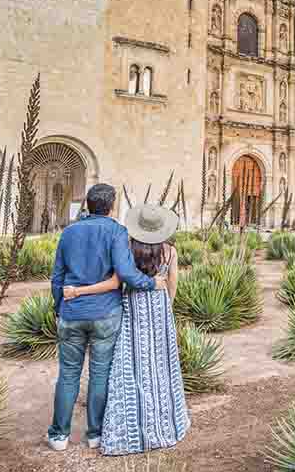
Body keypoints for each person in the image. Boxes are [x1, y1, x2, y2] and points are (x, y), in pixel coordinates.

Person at [47, 183, 164, 452]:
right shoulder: (116, 232)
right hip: (105, 314)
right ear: (111, 207)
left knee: (68, 374)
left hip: (72, 312)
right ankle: (95, 434)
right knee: (99, 374)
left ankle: (59, 435)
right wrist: (150, 283)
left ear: (88, 204)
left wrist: (58, 306)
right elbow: (125, 272)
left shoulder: (69, 232)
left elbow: (57, 277)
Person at [67, 203, 189, 455]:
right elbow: (172, 286)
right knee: (159, 365)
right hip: (159, 310)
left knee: (130, 364)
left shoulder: (127, 249)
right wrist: (166, 309)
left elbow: (119, 281)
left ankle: (130, 428)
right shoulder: (170, 252)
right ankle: (163, 423)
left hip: (131, 307)